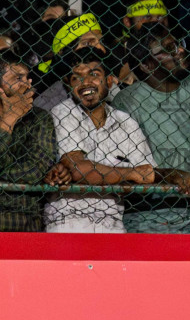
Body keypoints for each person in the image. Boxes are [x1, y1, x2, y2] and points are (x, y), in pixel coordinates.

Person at [112, 30, 190, 233]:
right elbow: (126, 167)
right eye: (169, 48)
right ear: (147, 64)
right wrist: (171, 176)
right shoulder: (128, 101)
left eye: (179, 43)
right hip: (145, 219)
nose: (180, 51)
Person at [46, 46, 155, 233]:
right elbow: (78, 169)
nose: (85, 82)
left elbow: (148, 174)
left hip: (112, 226)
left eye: (94, 74)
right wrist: (130, 173)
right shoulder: (63, 112)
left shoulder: (125, 122)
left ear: (110, 81)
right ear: (68, 86)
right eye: (76, 78)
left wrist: (169, 174)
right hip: (68, 225)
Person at [0, 52, 57, 232]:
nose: (27, 84)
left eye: (27, 78)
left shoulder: (40, 118)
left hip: (27, 220)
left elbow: (37, 170)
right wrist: (9, 120)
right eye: (18, 78)